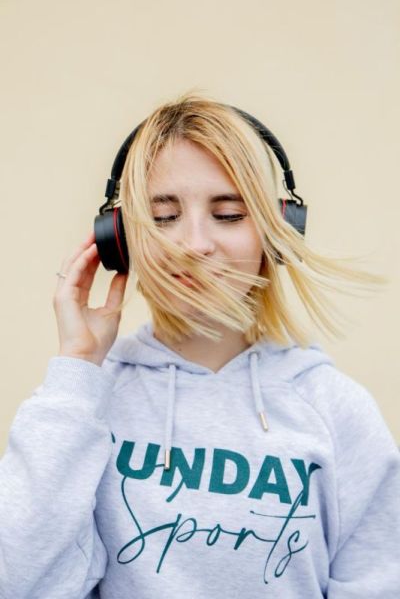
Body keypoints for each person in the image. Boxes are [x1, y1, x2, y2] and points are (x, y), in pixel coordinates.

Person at [0, 92, 399, 599]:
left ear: (276, 233)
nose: (194, 244)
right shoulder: (84, 404)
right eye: (163, 217)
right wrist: (77, 369)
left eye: (228, 214)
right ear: (121, 239)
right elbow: (19, 583)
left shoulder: (336, 411)